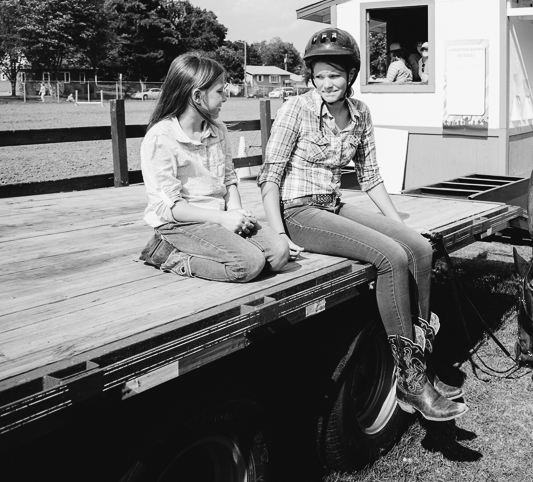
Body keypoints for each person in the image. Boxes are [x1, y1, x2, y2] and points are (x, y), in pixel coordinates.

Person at [258, 27, 467, 422]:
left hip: (332, 205)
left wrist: (400, 226)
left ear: (350, 74)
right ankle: (409, 379)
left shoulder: (360, 114)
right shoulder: (296, 109)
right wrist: (280, 235)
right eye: (318, 76)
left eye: (334, 75)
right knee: (391, 257)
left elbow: (369, 176)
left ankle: (422, 364)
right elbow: (270, 176)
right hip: (299, 213)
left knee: (418, 248)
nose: (326, 84)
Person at [139, 52, 289, 283]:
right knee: (248, 265)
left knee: (279, 255)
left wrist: (236, 212)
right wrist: (222, 218)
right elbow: (172, 208)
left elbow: (229, 179)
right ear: (197, 96)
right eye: (220, 91)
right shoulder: (160, 138)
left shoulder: (218, 130)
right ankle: (168, 255)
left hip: (220, 217)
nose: (226, 97)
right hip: (182, 223)